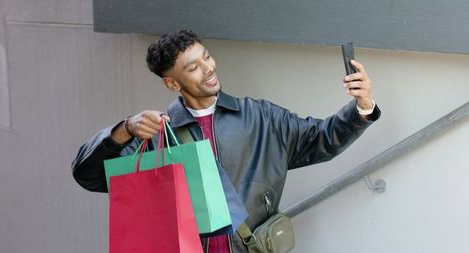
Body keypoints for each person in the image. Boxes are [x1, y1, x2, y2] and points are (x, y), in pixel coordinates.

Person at [72, 30, 380, 253]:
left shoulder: (261, 118)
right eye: (193, 67)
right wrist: (125, 129)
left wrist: (362, 105)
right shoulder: (154, 138)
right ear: (172, 83)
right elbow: (88, 174)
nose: (208, 69)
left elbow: (322, 140)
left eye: (206, 57)